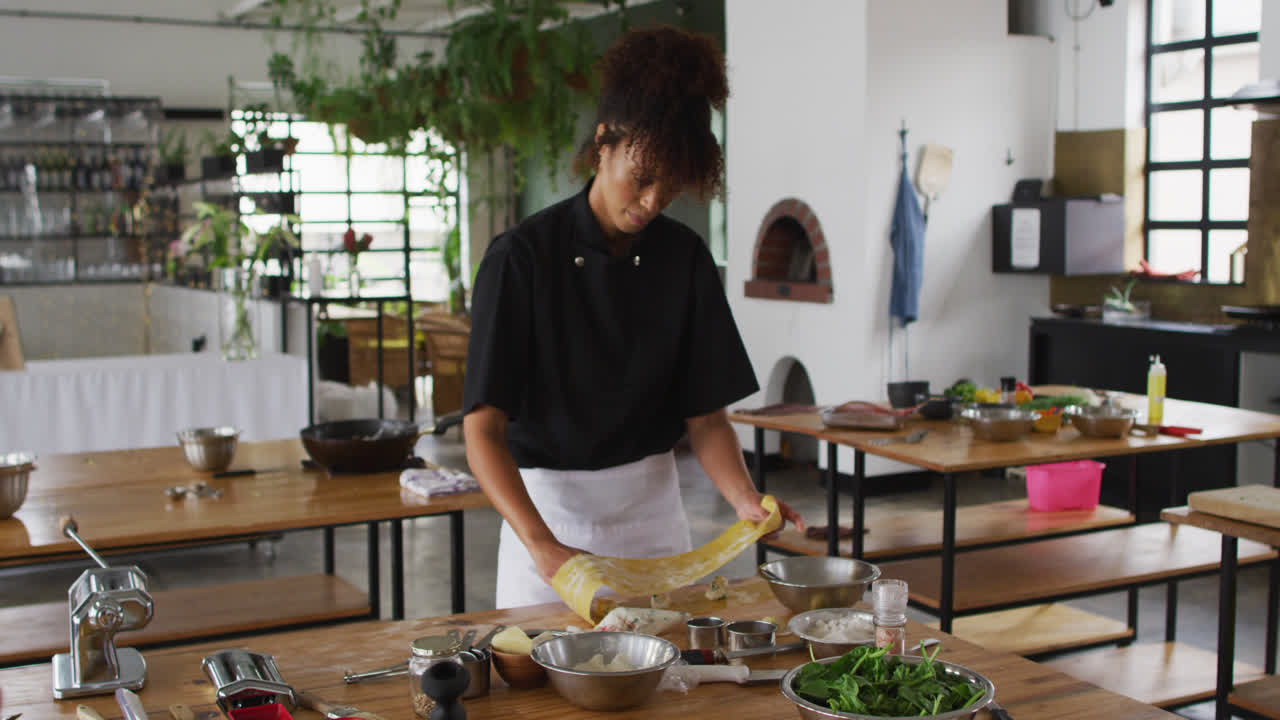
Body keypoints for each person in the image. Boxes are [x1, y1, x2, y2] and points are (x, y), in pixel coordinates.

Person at [462, 24, 804, 609]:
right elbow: (482, 432)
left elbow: (707, 421)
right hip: (545, 526)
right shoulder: (520, 259)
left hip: (655, 525)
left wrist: (746, 500)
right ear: (603, 143)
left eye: (668, 189)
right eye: (640, 179)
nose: (649, 203)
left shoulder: (683, 258)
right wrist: (544, 548)